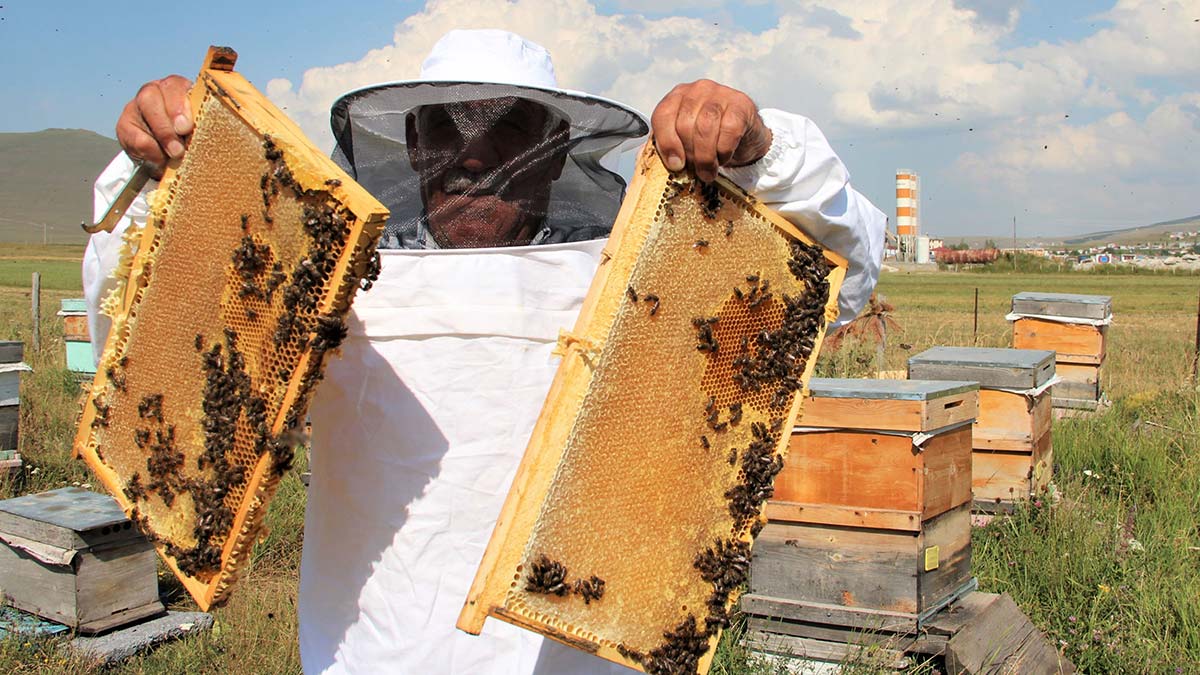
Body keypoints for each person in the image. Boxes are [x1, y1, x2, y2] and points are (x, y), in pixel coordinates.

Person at [87, 29, 885, 674]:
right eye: (446, 129)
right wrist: (163, 175)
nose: (474, 157)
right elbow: (138, 332)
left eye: (507, 131)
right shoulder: (326, 277)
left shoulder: (647, 268)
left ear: (556, 147)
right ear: (410, 144)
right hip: (371, 656)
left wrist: (761, 151)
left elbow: (834, 278)